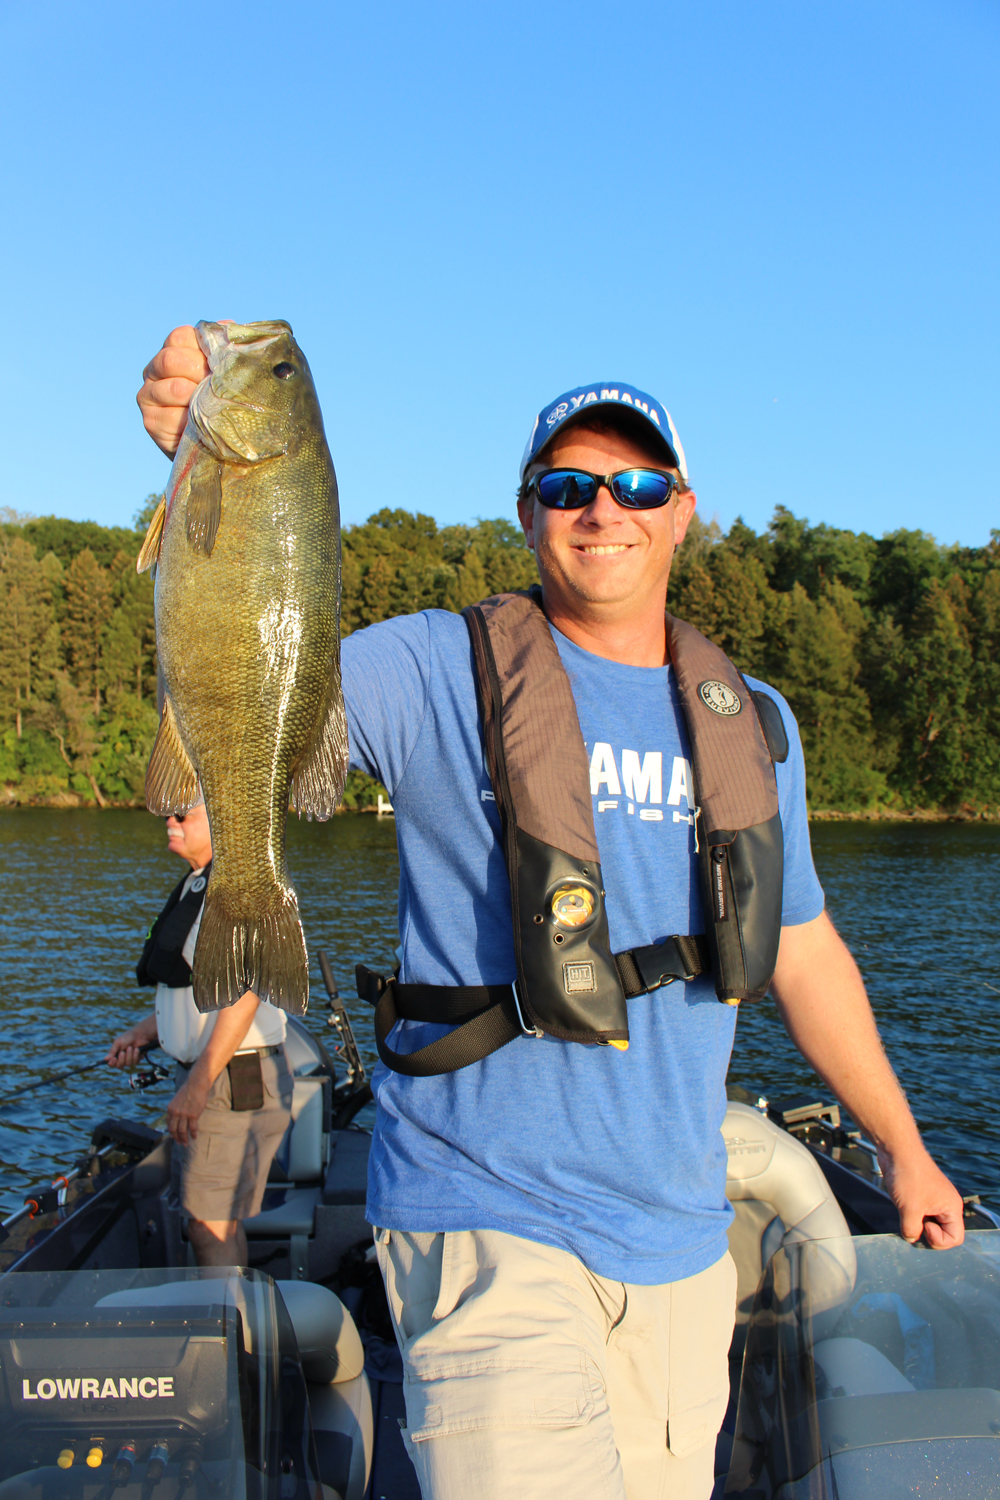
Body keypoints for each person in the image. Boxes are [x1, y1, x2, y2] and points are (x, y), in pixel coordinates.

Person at [137, 332, 964, 1499]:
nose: (602, 509)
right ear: (529, 515)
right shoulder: (432, 667)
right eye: (568, 485)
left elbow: (802, 951)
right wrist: (200, 477)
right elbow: (241, 666)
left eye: (637, 484)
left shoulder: (752, 722)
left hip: (679, 1244)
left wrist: (905, 1149)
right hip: (481, 1218)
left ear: (682, 513)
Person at [107, 795, 293, 1267]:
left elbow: (245, 995)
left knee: (208, 1224)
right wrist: (146, 1033)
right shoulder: (200, 885)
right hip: (217, 1075)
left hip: (230, 1079)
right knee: (216, 1219)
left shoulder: (233, 891)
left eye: (183, 814)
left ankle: (224, 1317)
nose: (169, 820)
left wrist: (197, 1085)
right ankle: (235, 1310)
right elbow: (198, 993)